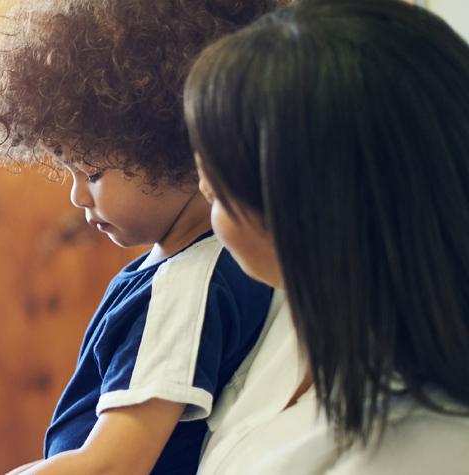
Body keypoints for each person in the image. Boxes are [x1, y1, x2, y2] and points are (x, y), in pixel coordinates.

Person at [0, 0, 283, 472]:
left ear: (176, 149)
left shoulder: (186, 286)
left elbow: (114, 464)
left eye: (91, 173)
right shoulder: (184, 269)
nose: (76, 197)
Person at [185, 0, 469, 472]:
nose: (201, 187)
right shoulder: (293, 312)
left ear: (305, 209)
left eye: (216, 185)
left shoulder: (426, 446)